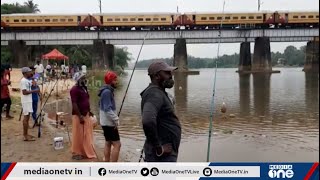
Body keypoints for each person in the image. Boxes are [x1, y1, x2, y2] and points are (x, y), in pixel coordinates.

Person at [140, 61, 181, 162]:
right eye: (167, 73)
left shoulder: (158, 92)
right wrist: (159, 148)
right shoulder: (154, 94)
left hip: (164, 153)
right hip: (162, 156)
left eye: (170, 73)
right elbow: (148, 121)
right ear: (157, 76)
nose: (171, 76)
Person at [70, 72, 97, 160]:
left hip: (86, 113)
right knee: (78, 134)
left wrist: (90, 111)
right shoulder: (74, 89)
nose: (85, 80)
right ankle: (77, 152)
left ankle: (85, 151)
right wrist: (80, 116)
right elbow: (74, 103)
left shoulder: (84, 88)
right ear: (78, 80)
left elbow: (85, 101)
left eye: (85, 78)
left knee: (86, 134)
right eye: (83, 78)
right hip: (79, 115)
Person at [98, 71, 121, 162]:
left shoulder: (106, 90)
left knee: (108, 142)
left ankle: (107, 163)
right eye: (115, 80)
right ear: (111, 81)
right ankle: (113, 167)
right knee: (117, 144)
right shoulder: (107, 92)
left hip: (105, 122)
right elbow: (107, 109)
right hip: (108, 123)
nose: (116, 82)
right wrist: (116, 119)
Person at [20, 67, 39, 141]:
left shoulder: (27, 80)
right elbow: (24, 92)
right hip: (26, 101)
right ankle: (25, 135)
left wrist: (34, 82)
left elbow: (34, 80)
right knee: (26, 117)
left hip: (28, 101)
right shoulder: (23, 81)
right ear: (25, 73)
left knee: (27, 117)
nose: (30, 73)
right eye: (29, 72)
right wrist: (34, 91)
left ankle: (26, 133)